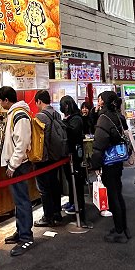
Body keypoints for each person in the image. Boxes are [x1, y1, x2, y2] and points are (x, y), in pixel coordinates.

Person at [0, 86, 35, 257]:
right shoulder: (14, 113)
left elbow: (22, 142)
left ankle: (26, 237)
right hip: (15, 164)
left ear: (6, 100)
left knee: (22, 200)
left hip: (19, 165)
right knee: (18, 200)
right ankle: (21, 231)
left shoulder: (19, 114)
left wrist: (12, 164)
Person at [90, 91, 130, 242]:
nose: (98, 102)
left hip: (109, 162)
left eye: (99, 99)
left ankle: (119, 232)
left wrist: (95, 164)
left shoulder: (104, 118)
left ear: (104, 101)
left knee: (113, 196)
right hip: (118, 161)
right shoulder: (117, 115)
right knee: (118, 194)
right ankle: (123, 227)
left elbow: (99, 145)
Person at [33, 90, 67, 227]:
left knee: (44, 188)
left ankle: (48, 217)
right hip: (56, 156)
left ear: (39, 101)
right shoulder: (56, 114)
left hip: (44, 159)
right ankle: (57, 213)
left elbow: (39, 141)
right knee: (54, 184)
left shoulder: (40, 116)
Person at [60, 96, 91, 226]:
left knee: (76, 182)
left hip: (75, 156)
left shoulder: (76, 119)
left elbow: (73, 133)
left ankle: (80, 211)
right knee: (70, 180)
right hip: (69, 155)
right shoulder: (72, 118)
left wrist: (62, 124)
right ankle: (73, 203)